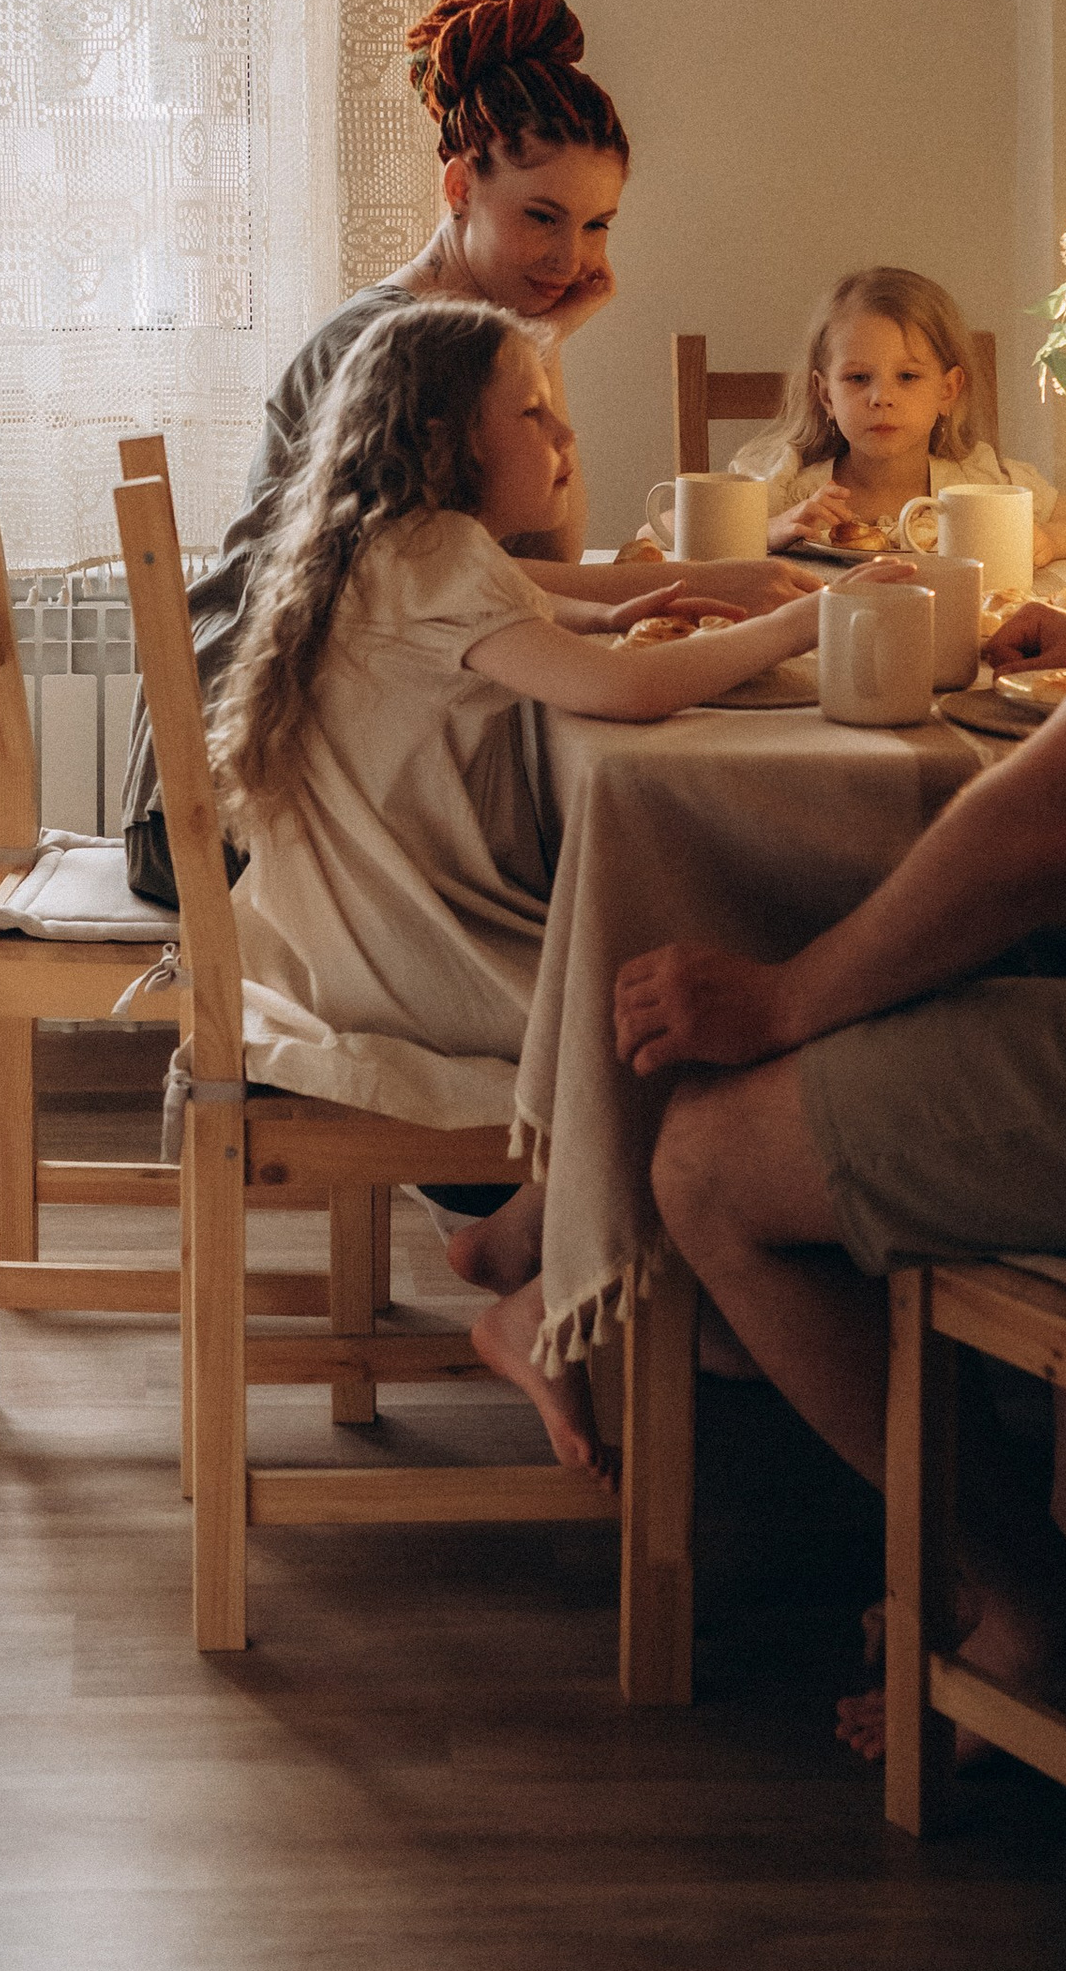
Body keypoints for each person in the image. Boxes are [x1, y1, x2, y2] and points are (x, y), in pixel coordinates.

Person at [612, 37, 1066, 1746]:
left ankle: (1046, 1614)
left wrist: (786, 996)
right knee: (999, 1005)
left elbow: (1043, 831)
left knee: (706, 1153)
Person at [211, 296, 889, 1485]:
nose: (562, 440)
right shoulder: (434, 555)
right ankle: (552, 1294)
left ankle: (525, 1238)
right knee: (681, 1018)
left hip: (334, 938)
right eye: (528, 413)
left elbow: (560, 601)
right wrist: (811, 622)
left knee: (670, 985)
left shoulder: (395, 545)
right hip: (411, 966)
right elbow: (619, 693)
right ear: (442, 440)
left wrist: (686, 590)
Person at [118, 0, 807, 911]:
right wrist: (711, 587)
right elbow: (439, 576)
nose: (573, 258)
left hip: (323, 785)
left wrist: (546, 344)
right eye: (542, 216)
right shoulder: (386, 353)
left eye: (597, 224)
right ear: (458, 188)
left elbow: (532, 552)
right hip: (226, 802)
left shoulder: (485, 350)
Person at [732, 266, 1066, 566]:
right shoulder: (789, 484)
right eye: (858, 378)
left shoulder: (978, 484)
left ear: (947, 390)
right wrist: (769, 531)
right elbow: (673, 523)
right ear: (826, 395)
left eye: (908, 376)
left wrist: (1049, 540)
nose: (881, 397)